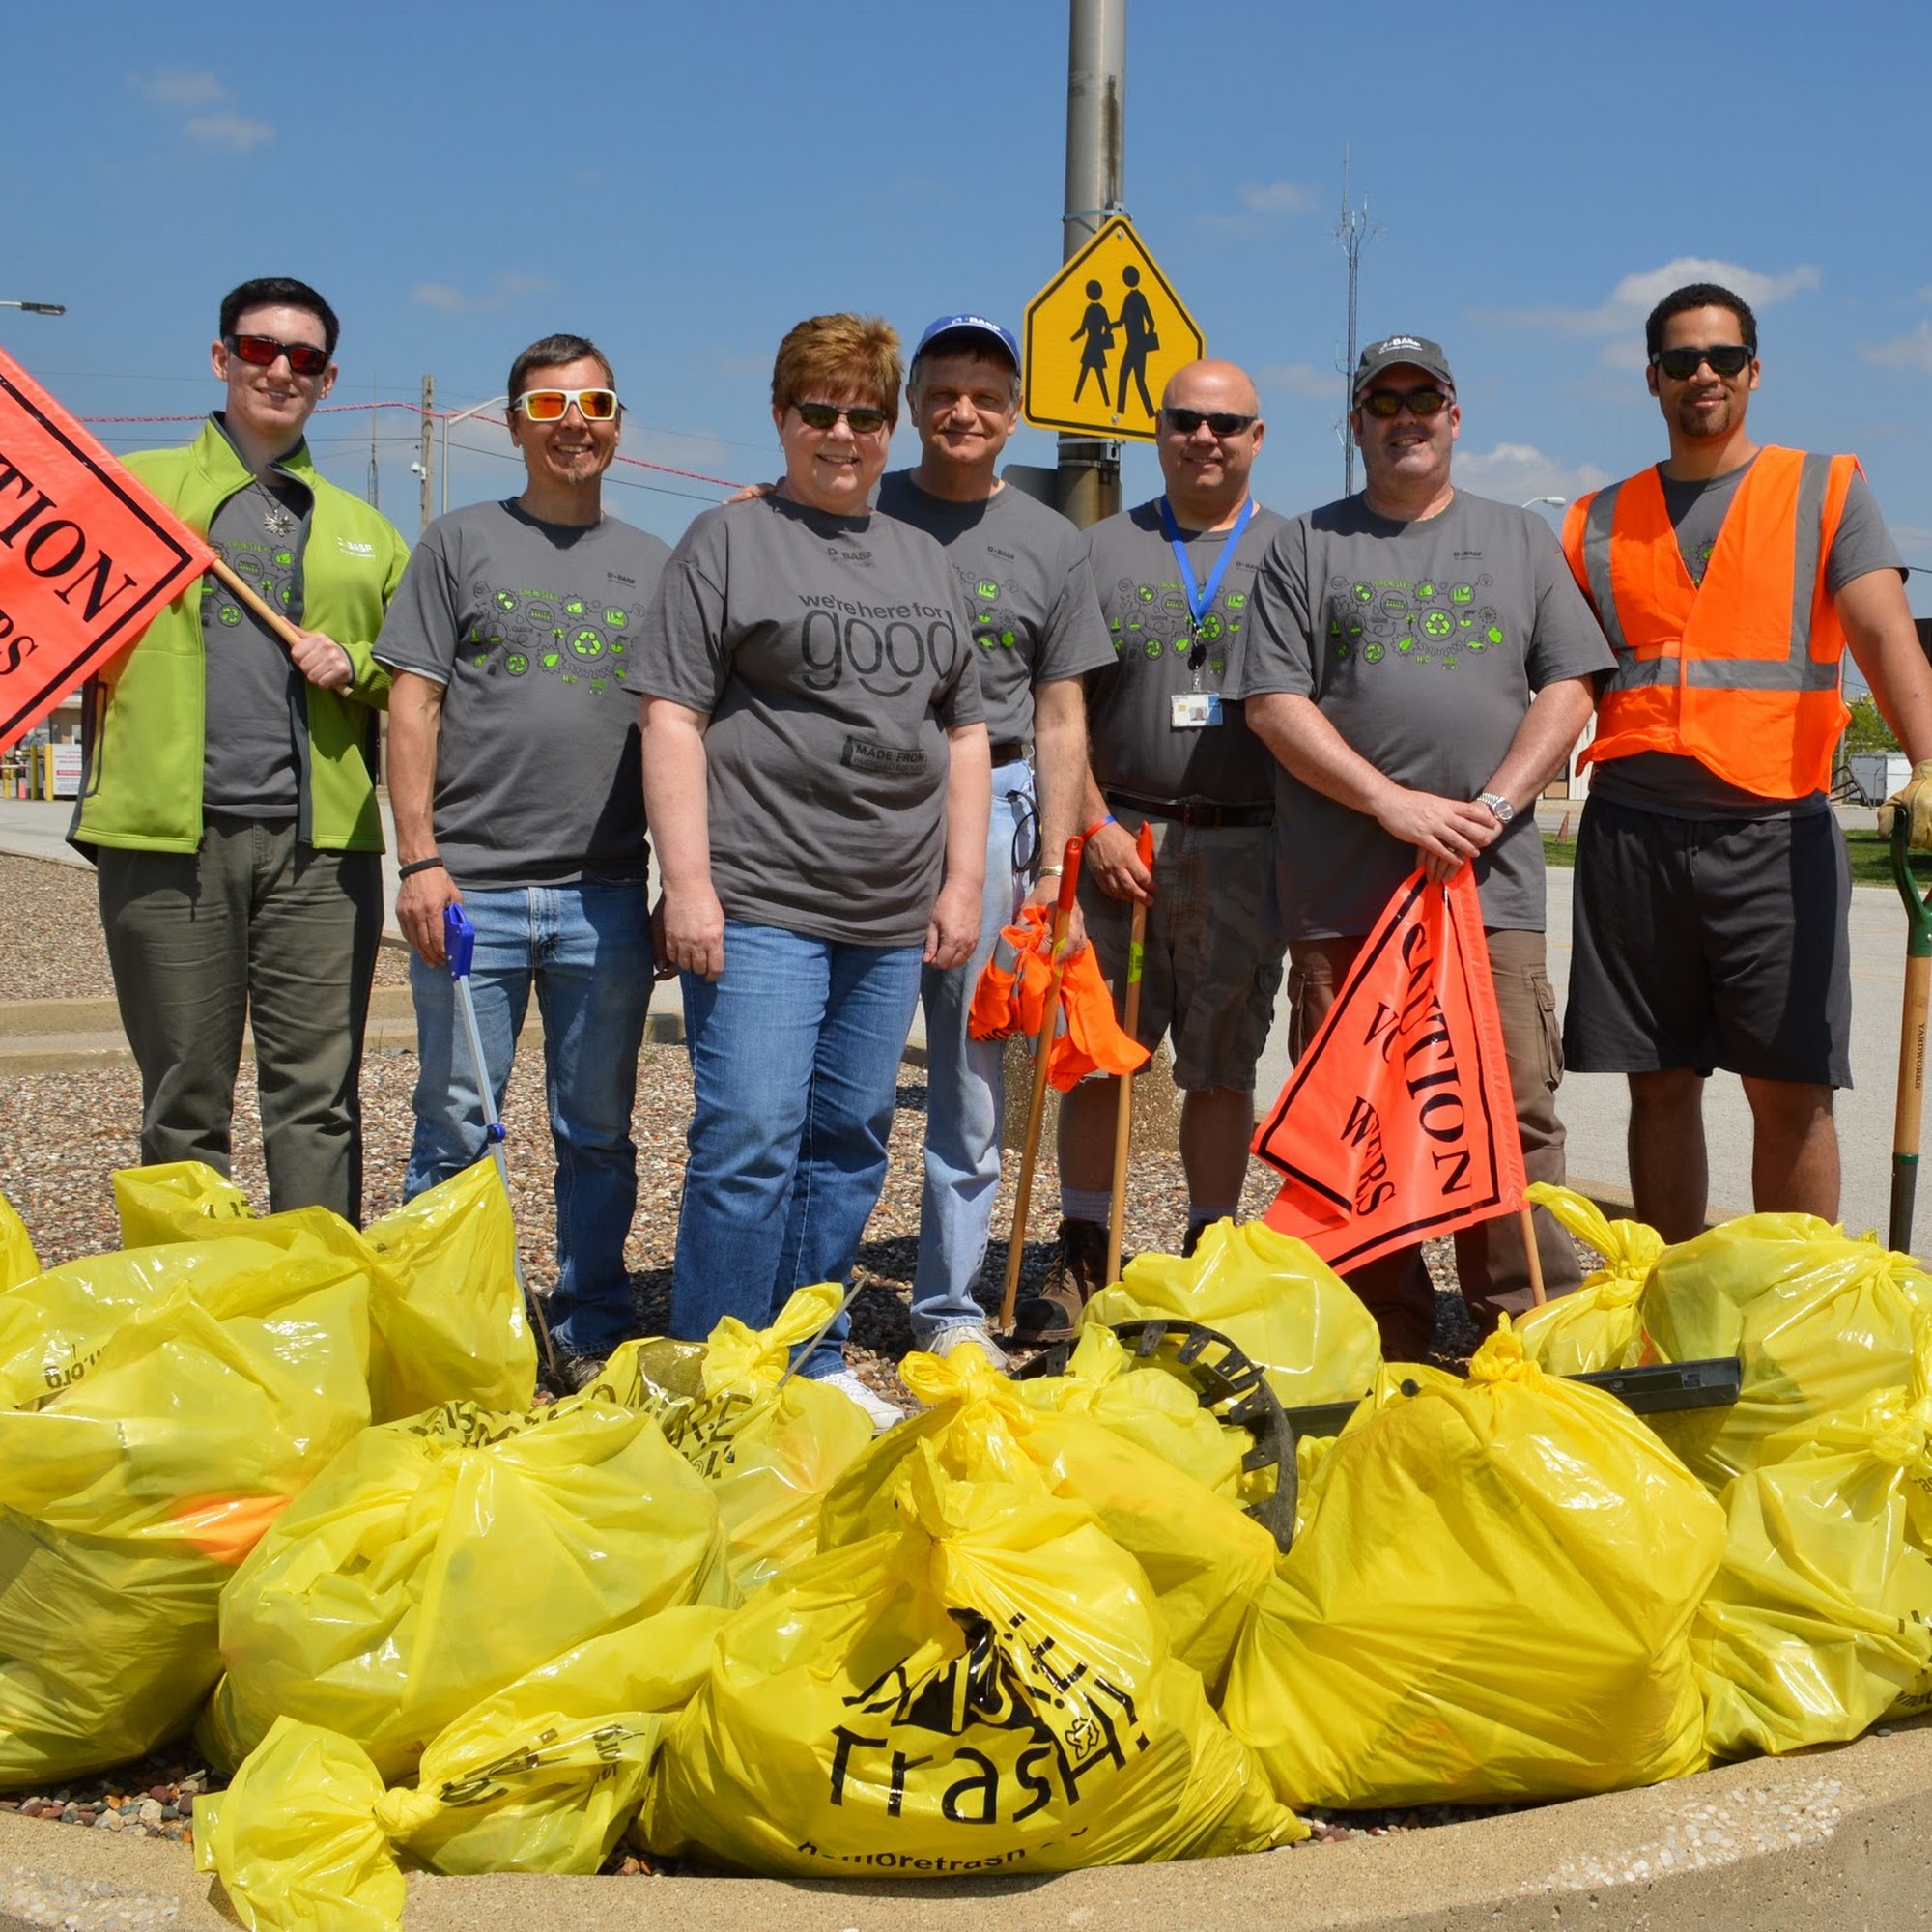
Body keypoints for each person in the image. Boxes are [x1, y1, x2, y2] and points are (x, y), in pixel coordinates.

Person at [639, 313, 990, 1429]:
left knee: (845, 1143)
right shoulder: (728, 541)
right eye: (819, 412)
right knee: (748, 1136)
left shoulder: (925, 561)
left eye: (864, 415)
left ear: (888, 428)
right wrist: (687, 883)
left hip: (887, 912)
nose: (842, 434)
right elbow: (671, 713)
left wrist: (960, 885)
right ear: (783, 419)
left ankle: (809, 1354)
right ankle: (719, 1372)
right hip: (761, 901)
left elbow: (969, 732)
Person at [1241, 333, 1612, 1358]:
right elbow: (1273, 704)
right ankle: (1385, 1339)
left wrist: (1491, 804)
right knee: (1352, 1124)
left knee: (1512, 1107)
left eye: (1424, 398)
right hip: (1344, 896)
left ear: (1455, 415)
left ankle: (1526, 1330)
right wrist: (1390, 804)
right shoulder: (1305, 545)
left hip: (1483, 891)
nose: (1404, 415)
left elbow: (1571, 683)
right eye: (1382, 400)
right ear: (1355, 422)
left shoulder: (1517, 541)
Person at [1560, 283, 1932, 1240]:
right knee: (1657, 1082)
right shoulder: (1593, 521)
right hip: (1631, 830)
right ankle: (1676, 1294)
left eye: (1721, 358)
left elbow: (1885, 635)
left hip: (1772, 827)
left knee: (1791, 1087)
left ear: (1752, 373)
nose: (1701, 375)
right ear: (1650, 378)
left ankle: (1791, 1305)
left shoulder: (1822, 489)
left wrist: (1928, 761)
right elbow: (1558, 678)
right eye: (1680, 360)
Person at [75, 276, 407, 1222]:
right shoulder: (134, 493)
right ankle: (192, 1327)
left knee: (317, 1103)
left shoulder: (367, 532)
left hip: (322, 852)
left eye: (302, 358)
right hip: (165, 843)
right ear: (221, 359)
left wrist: (361, 665)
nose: (278, 370)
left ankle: (313, 1318)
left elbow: (424, 671)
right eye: (258, 349)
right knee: (182, 1103)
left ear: (327, 378)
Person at [377, 333, 668, 1385]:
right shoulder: (456, 543)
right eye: (548, 404)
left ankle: (591, 1311)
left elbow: (679, 727)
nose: (573, 420)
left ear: (618, 422)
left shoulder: (657, 563)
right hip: (473, 891)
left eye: (594, 399)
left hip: (604, 896)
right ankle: (447, 1328)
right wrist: (418, 860)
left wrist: (683, 873)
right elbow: (412, 702)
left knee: (597, 1127)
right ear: (511, 425)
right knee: (455, 1122)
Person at [1016, 358, 1288, 1342]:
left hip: (1243, 844)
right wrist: (1088, 823)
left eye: (1226, 423)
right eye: (1184, 420)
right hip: (1117, 836)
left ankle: (1210, 1248)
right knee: (1097, 1060)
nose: (1203, 438)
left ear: (1256, 437)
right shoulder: (1095, 551)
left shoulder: (1292, 550)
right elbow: (1060, 706)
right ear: (1157, 433)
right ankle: (1084, 1248)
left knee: (1221, 1065)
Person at [875, 315, 1115, 1369]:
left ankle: (946, 1306)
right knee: (843, 1070)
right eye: (943, 391)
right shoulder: (853, 503)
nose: (962, 411)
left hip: (1007, 805)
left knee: (971, 1075)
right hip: (865, 806)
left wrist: (1058, 861)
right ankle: (806, 1296)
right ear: (912, 402)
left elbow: (1062, 711)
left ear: (1012, 413)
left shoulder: (1050, 541)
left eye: (984, 394)